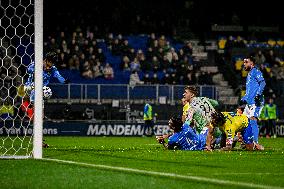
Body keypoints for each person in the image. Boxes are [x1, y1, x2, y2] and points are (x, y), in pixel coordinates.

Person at [24, 51, 69, 148]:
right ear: (47, 60)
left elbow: (58, 76)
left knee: (41, 117)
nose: (52, 64)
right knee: (45, 91)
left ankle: (39, 140)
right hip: (30, 87)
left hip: (40, 90)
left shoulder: (52, 69)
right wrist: (41, 69)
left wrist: (64, 81)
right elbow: (28, 69)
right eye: (51, 61)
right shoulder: (37, 64)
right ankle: (32, 101)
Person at [240, 55, 266, 144]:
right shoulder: (249, 74)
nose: (244, 64)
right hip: (249, 102)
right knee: (243, 121)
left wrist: (258, 94)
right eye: (244, 62)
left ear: (252, 63)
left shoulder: (256, 71)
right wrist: (245, 97)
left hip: (256, 102)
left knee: (252, 119)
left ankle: (255, 143)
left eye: (246, 62)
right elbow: (250, 89)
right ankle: (245, 142)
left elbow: (263, 83)